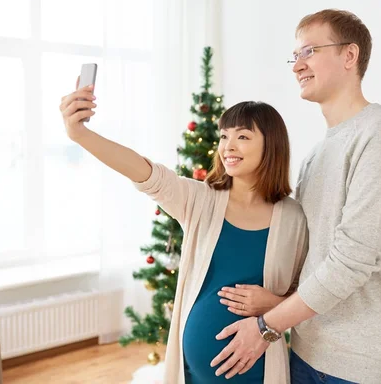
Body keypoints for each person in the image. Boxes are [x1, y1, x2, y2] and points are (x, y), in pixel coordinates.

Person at [214, 9, 381, 384]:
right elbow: (315, 256)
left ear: (349, 55)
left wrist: (266, 326)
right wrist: (279, 302)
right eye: (295, 57)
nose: (297, 66)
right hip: (308, 351)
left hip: (365, 366)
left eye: (308, 52)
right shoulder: (316, 154)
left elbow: (352, 260)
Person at [58, 90, 308, 384]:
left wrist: (274, 302)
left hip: (258, 370)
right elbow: (144, 172)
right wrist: (81, 135)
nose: (228, 146)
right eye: (224, 136)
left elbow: (309, 293)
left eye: (242, 136)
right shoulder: (201, 199)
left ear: (271, 145)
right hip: (192, 374)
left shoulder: (293, 218)